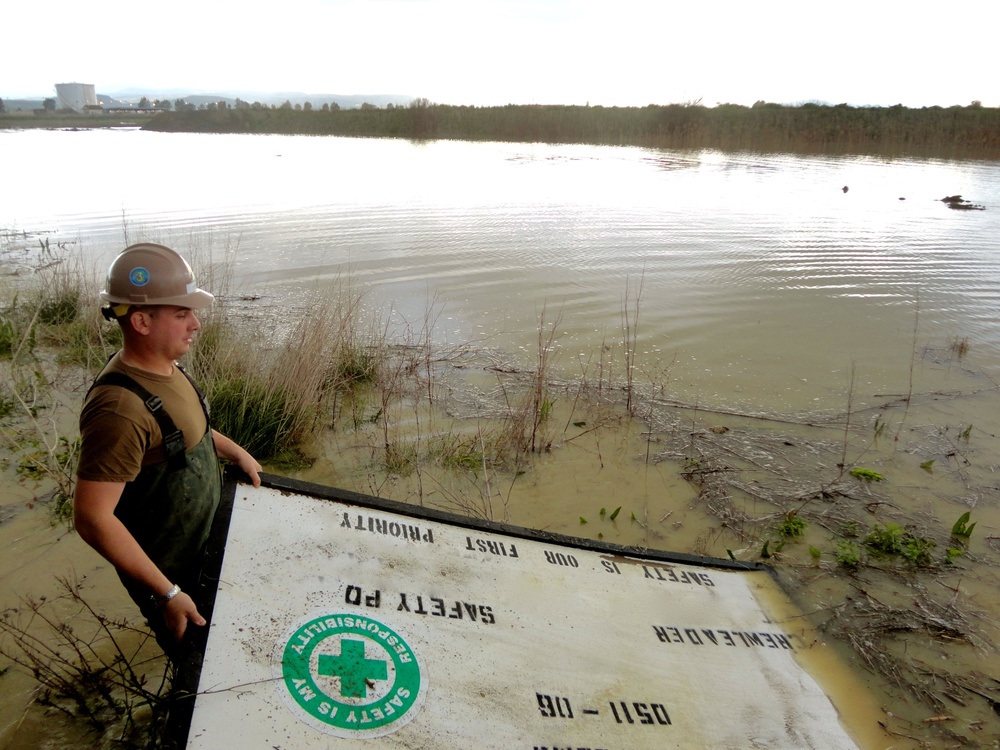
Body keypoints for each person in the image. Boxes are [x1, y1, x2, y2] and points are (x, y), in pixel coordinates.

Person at [74, 242, 262, 652]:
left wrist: (235, 452)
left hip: (209, 548)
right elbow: (92, 518)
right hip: (179, 579)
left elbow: (181, 432)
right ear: (140, 321)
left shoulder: (165, 367)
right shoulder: (119, 409)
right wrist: (168, 594)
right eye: (181, 314)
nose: (196, 324)